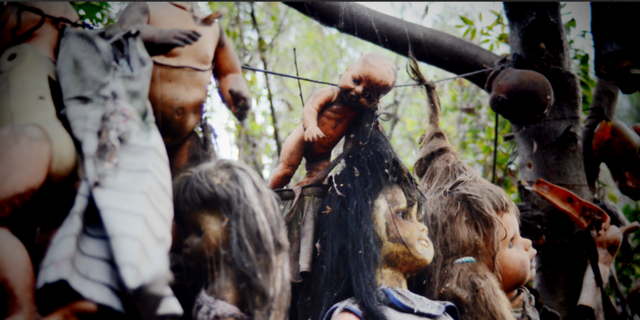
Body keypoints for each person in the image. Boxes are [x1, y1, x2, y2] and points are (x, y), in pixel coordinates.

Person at [409, 56, 634, 320]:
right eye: (512, 243)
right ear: (475, 272)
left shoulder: (527, 305)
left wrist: (603, 262)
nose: (527, 243)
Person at [305, 106, 458, 320]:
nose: (422, 227)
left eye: (418, 217)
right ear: (362, 232)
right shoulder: (351, 316)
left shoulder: (439, 312)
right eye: (403, 215)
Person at [117, 2, 251, 175]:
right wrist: (158, 37)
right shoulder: (146, 6)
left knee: (192, 194)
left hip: (184, 140)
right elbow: (123, 34)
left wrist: (238, 93)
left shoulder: (211, 27)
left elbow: (229, 73)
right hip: (137, 132)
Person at [172, 160, 290, 320]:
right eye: (187, 233)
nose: (187, 243)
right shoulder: (211, 285)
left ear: (230, 226)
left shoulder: (227, 307)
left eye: (199, 232)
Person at [269, 53, 397, 189]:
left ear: (375, 102)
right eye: (355, 81)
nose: (357, 91)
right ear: (347, 71)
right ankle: (267, 194)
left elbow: (351, 139)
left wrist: (350, 155)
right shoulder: (332, 94)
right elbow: (311, 107)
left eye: (368, 95)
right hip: (302, 138)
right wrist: (311, 126)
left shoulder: (357, 115)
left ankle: (297, 203)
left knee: (313, 184)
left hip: (322, 155)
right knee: (285, 172)